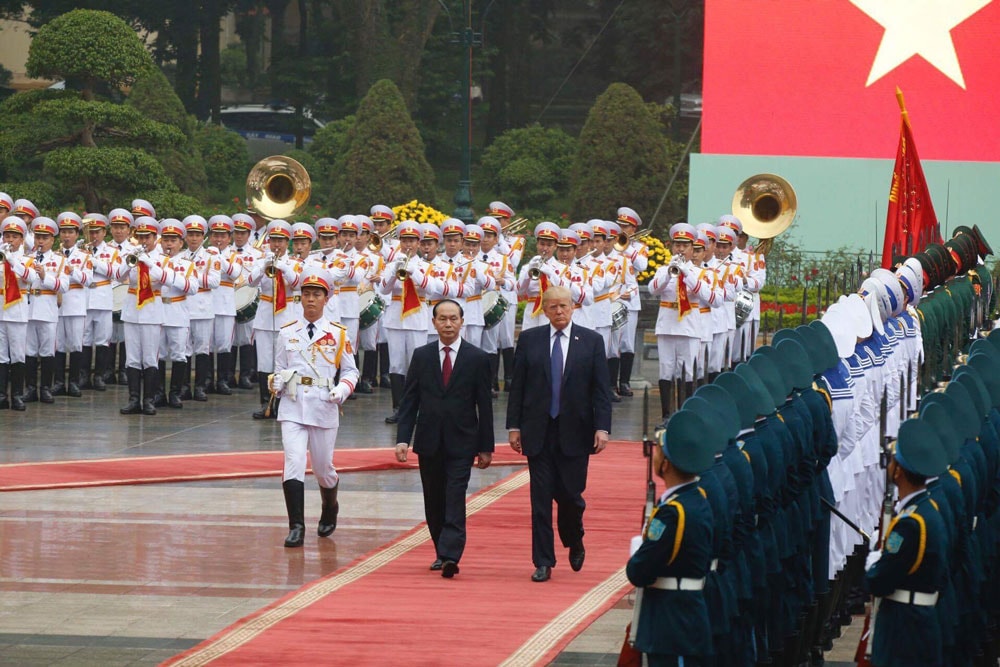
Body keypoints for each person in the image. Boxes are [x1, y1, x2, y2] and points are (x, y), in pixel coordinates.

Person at [506, 285, 613, 582]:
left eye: (564, 306)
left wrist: (602, 428)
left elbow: (601, 390)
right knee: (539, 499)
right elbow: (518, 387)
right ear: (544, 309)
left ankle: (574, 537)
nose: (559, 312)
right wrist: (514, 426)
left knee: (570, 496)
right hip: (538, 431)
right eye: (552, 307)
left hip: (576, 432)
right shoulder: (530, 340)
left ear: (573, 307)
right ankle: (543, 560)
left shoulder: (591, 341)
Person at [394, 299, 494, 578]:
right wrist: (403, 439)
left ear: (462, 321)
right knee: (434, 499)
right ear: (434, 322)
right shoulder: (422, 355)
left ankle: (451, 554)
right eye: (442, 319)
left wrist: (486, 447)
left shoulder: (477, 358)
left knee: (454, 496)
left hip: (463, 441)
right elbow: (409, 400)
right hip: (429, 441)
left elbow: (484, 406)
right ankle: (441, 549)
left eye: (453, 319)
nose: (448, 324)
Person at [268, 267, 359, 548]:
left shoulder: (338, 333)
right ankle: (296, 526)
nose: (310, 299)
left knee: (323, 469)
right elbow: (279, 369)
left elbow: (351, 372)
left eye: (316, 295)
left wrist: (341, 389)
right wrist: (275, 384)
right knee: (293, 463)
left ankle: (330, 506)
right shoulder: (287, 333)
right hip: (293, 405)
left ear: (326, 298)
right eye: (306, 294)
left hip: (323, 404)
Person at [626, 409, 719, 667]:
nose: (654, 454)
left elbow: (639, 571)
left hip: (673, 622)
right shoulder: (695, 499)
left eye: (658, 450)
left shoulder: (674, 513)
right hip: (682, 616)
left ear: (666, 463)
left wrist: (638, 555)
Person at [865, 418, 949, 667]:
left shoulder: (910, 524)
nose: (890, 466)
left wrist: (873, 564)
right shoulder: (926, 510)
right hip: (918, 622)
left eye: (893, 461)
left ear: (899, 471)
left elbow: (879, 581)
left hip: (903, 629)